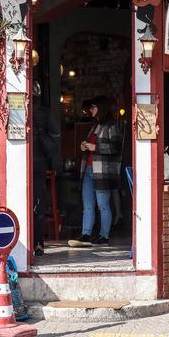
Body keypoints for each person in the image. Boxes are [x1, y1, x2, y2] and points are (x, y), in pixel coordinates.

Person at [69, 95, 122, 247]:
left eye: (93, 107)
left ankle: (104, 235)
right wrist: (84, 146)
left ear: (101, 108)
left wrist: (95, 147)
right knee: (88, 205)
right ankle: (86, 234)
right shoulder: (94, 126)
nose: (90, 110)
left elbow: (116, 148)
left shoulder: (112, 126)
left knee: (103, 205)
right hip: (88, 169)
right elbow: (91, 146)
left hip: (103, 171)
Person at [32, 81, 61, 256]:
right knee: (39, 205)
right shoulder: (44, 111)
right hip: (40, 163)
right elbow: (56, 131)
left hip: (21, 162)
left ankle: (23, 243)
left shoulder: (18, 109)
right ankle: (38, 244)